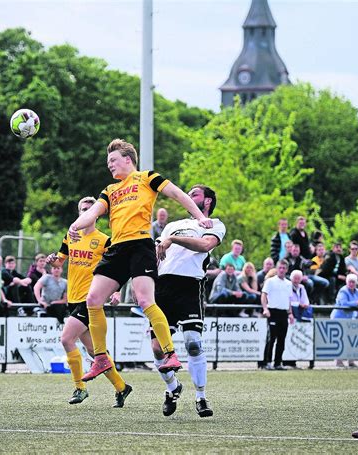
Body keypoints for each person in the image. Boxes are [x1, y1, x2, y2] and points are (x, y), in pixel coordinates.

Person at [67, 138, 213, 382]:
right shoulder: (110, 190)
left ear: (128, 159)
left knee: (145, 300)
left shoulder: (147, 177)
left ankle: (170, 353)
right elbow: (93, 212)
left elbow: (176, 193)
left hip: (140, 246)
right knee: (93, 299)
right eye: (108, 162)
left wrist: (199, 217)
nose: (109, 166)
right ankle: (101, 358)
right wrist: (76, 224)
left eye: (112, 160)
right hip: (117, 248)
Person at [47, 196, 132, 407]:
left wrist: (116, 290)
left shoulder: (104, 240)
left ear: (96, 213)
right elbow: (60, 259)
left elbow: (119, 267)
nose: (85, 212)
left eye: (89, 209)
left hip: (90, 299)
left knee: (66, 339)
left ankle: (79, 388)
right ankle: (122, 387)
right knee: (95, 352)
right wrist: (52, 260)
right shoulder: (71, 235)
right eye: (82, 210)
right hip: (73, 298)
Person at [152, 184, 225, 417]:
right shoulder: (173, 225)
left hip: (190, 285)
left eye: (194, 193)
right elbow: (158, 255)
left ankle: (201, 397)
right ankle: (173, 388)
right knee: (157, 348)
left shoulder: (214, 224)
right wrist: (141, 283)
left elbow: (205, 245)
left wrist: (173, 239)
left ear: (208, 201)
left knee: (193, 342)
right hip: (163, 287)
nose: (188, 196)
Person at [261, 259, 294, 371]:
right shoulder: (270, 281)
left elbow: (289, 299)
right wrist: (265, 309)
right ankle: (267, 362)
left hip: (283, 313)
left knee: (282, 339)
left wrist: (290, 313)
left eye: (284, 268)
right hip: (272, 311)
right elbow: (264, 295)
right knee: (271, 338)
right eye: (280, 267)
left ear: (287, 270)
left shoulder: (288, 283)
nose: (281, 270)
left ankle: (277, 362)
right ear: (276, 268)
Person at [331, 274, 358, 368]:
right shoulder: (343, 291)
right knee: (340, 340)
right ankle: (338, 361)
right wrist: (357, 303)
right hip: (339, 317)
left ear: (356, 283)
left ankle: (351, 361)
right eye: (349, 282)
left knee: (351, 340)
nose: (351, 284)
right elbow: (344, 304)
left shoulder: (357, 291)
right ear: (346, 282)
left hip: (350, 319)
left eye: (353, 282)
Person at [286, 270, 314, 369]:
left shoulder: (302, 288)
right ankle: (289, 361)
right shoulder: (288, 286)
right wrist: (299, 304)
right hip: (291, 314)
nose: (297, 280)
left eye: (299, 278)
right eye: (295, 278)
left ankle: (296, 361)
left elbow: (305, 300)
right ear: (291, 278)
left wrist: (305, 304)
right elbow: (288, 300)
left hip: (300, 314)